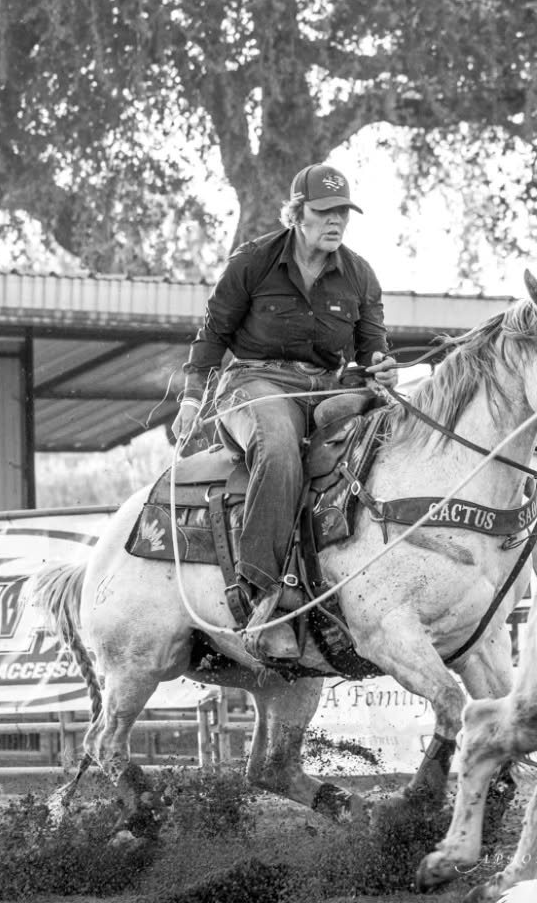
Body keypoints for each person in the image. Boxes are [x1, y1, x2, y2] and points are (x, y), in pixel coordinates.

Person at [171, 163, 399, 665]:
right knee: (278, 448)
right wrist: (191, 397)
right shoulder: (252, 262)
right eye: (324, 212)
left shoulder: (360, 274)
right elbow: (211, 336)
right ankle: (264, 597)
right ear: (298, 214)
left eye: (343, 212)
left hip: (330, 388)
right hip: (255, 384)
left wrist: (382, 370)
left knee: (389, 428)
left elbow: (373, 349)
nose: (335, 222)